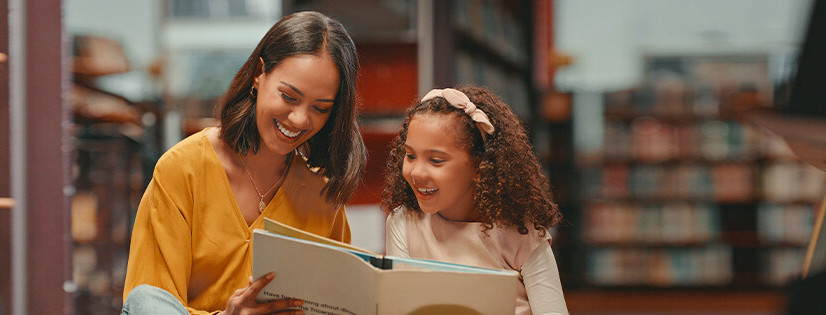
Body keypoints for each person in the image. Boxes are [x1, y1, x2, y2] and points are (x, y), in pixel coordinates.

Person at [122, 11, 365, 315]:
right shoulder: (182, 169)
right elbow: (148, 305)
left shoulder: (323, 197)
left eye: (320, 107)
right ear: (259, 74)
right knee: (145, 299)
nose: (300, 119)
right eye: (289, 96)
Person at [382, 86, 569, 315]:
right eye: (410, 156)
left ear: (480, 166)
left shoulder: (521, 234)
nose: (417, 172)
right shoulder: (403, 223)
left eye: (436, 160)